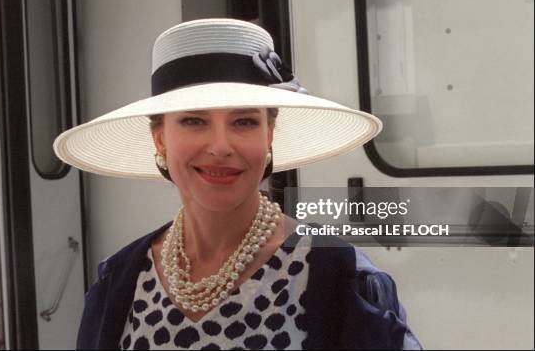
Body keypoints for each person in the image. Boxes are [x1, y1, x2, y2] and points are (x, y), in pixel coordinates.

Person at [54, 19, 422, 350]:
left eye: (244, 122)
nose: (220, 147)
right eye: (194, 121)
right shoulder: (121, 277)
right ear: (160, 139)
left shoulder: (337, 273)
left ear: (269, 135)